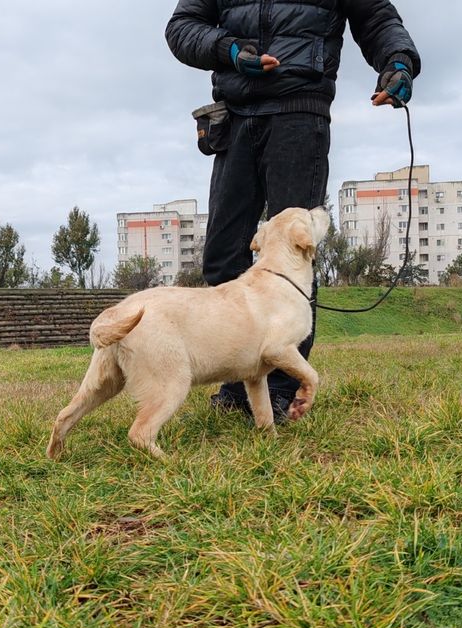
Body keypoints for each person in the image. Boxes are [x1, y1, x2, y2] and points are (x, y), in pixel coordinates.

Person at [166, 0, 420, 421]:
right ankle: (238, 381)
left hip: (301, 113)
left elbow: (376, 17)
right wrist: (228, 49)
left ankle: (284, 387)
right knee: (223, 255)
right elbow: (182, 27)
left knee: (293, 258)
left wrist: (398, 61)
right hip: (236, 115)